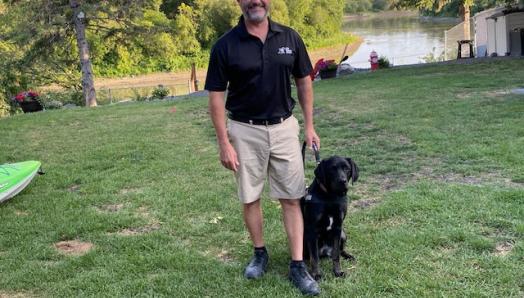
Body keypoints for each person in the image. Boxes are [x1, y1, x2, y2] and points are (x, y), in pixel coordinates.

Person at [205, 0, 320, 295]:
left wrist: (308, 126)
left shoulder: (290, 37)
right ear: (239, 2)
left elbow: (304, 81)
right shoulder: (225, 45)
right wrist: (224, 143)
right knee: (250, 196)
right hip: (244, 131)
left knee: (293, 196)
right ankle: (260, 253)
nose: (255, 1)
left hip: (284, 128)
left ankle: (297, 264)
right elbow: (216, 97)